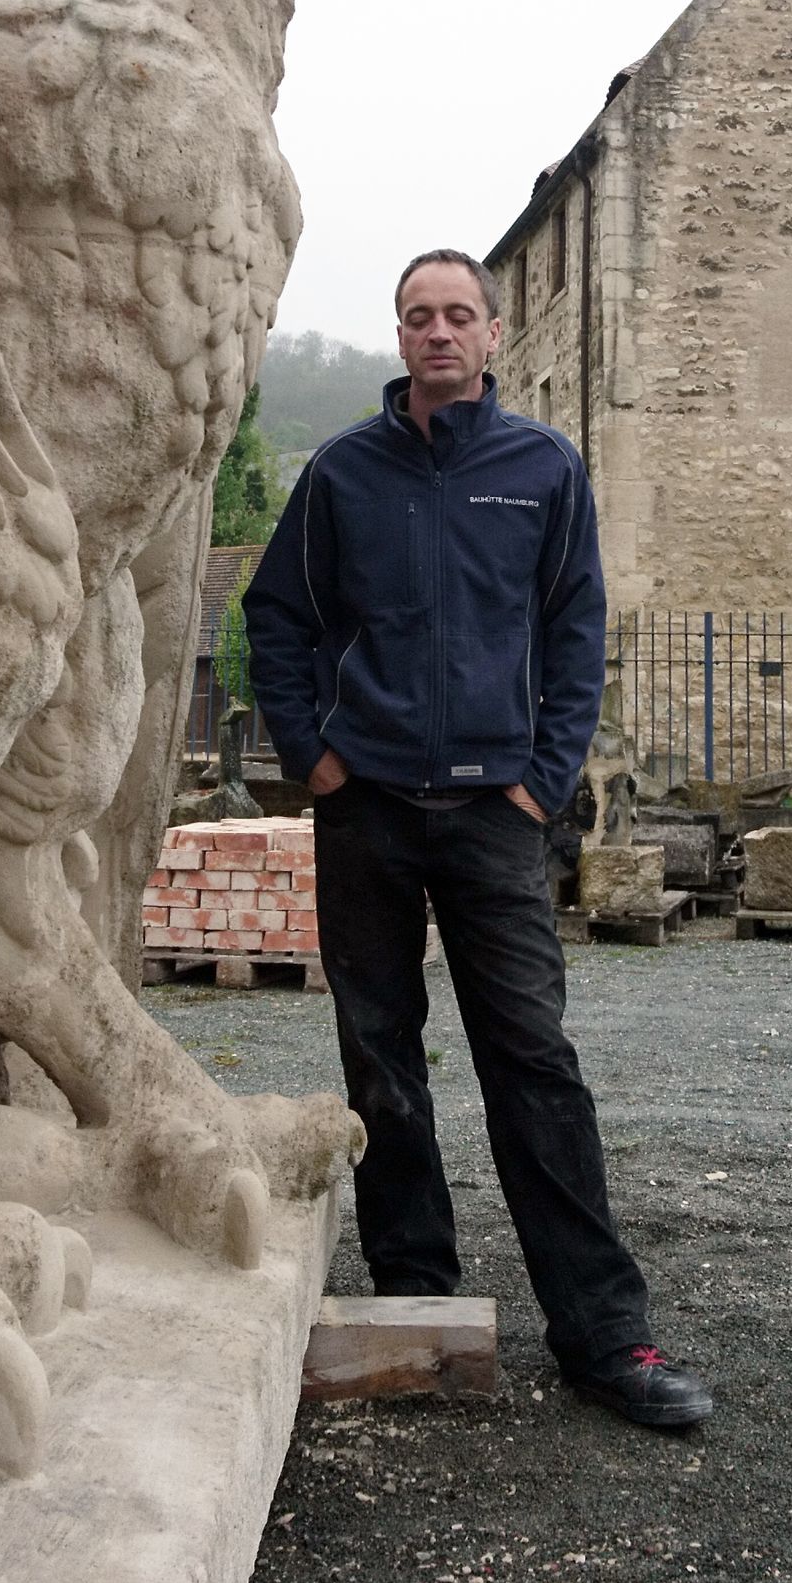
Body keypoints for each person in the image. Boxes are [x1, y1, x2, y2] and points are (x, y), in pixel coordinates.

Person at [243, 250, 712, 1429]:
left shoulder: (543, 468)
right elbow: (277, 614)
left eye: (459, 313)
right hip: (368, 807)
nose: (439, 330)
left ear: (494, 333)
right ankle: (416, 1299)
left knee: (533, 1062)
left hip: (496, 815)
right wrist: (314, 755)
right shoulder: (343, 471)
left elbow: (576, 628)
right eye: (419, 316)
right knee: (381, 1055)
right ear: (400, 335)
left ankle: (605, 1333)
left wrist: (543, 779)